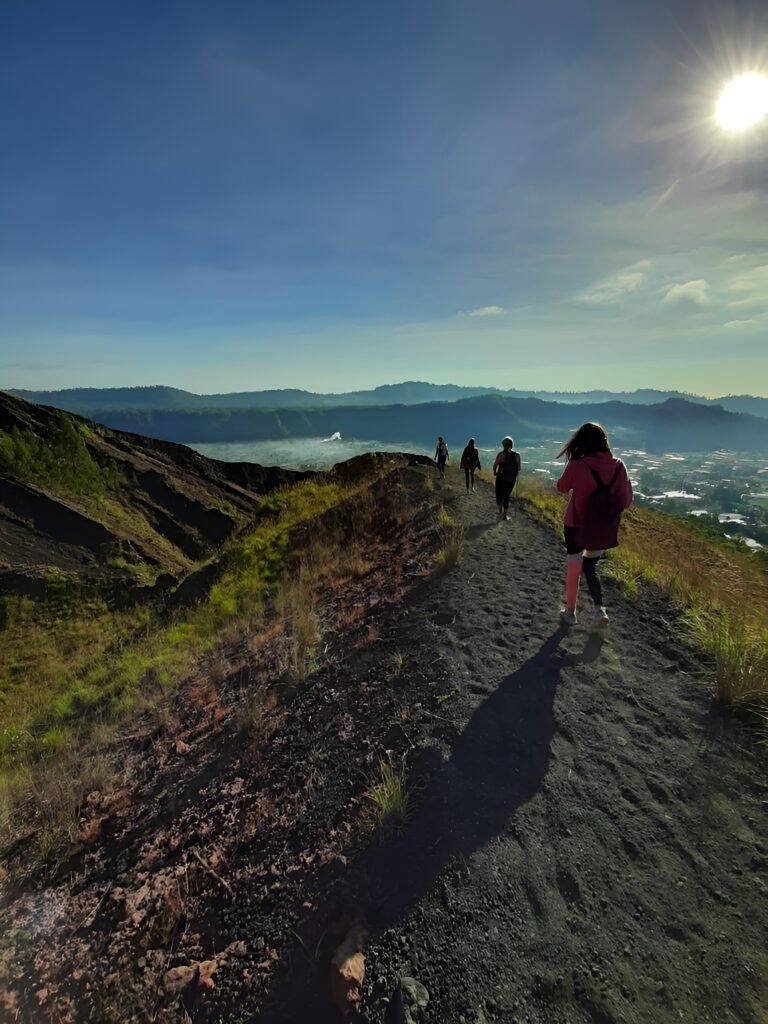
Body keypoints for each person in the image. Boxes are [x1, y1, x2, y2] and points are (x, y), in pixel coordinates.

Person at [555, 422, 632, 628]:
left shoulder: (577, 465)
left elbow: (562, 488)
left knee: (574, 567)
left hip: (575, 525)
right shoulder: (619, 467)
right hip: (602, 528)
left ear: (581, 442)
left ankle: (570, 612)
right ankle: (600, 611)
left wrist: (572, 466)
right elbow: (625, 501)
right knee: (591, 568)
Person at [493, 437, 521, 520]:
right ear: (512, 445)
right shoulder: (517, 455)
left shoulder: (501, 455)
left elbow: (495, 465)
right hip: (511, 479)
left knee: (499, 494)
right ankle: (505, 515)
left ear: (503, 445)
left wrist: (495, 472)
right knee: (507, 496)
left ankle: (500, 512)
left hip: (501, 478)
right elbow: (518, 468)